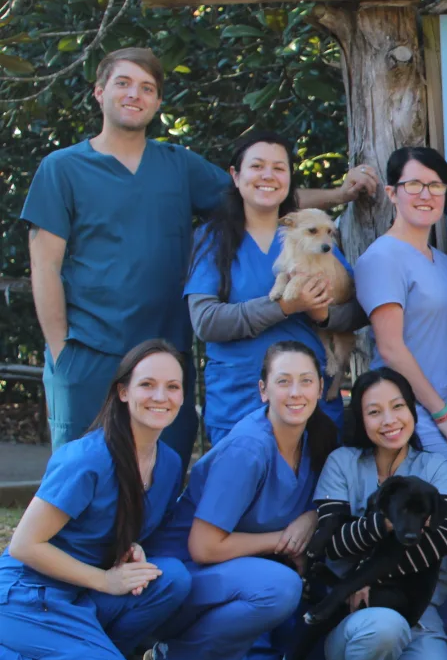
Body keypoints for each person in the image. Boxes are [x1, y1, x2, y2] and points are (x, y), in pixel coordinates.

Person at [22, 47, 374, 464]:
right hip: (89, 348)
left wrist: (340, 194)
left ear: (157, 101)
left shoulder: (176, 165)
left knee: (162, 472)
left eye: (147, 87)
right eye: (123, 83)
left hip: (166, 348)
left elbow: (262, 193)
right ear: (99, 92)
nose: (134, 94)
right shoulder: (62, 168)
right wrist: (61, 351)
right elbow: (44, 266)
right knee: (80, 470)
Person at [141, 341, 337, 660]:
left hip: (224, 575)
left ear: (320, 387)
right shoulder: (248, 449)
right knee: (278, 587)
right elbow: (204, 546)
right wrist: (282, 540)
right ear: (263, 390)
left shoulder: (315, 438)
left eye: (306, 381)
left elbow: (318, 499)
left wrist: (310, 517)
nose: (295, 392)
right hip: (177, 577)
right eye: (283, 381)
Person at [0, 341, 192, 660]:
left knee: (172, 579)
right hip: (30, 595)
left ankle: (91, 654)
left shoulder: (167, 462)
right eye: (147, 385)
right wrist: (104, 581)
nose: (160, 396)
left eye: (172, 387)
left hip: (80, 596)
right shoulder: (87, 458)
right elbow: (24, 545)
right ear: (123, 392)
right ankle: (8, 658)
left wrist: (130, 546)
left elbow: (117, 521)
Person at [356, 145, 447, 646]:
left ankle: (442, 648)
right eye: (414, 185)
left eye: (436, 186)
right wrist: (443, 413)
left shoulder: (444, 263)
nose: (426, 194)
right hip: (414, 417)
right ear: (391, 192)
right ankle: (427, 647)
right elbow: (391, 346)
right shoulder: (381, 258)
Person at [310, 368, 447, 660]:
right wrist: (382, 525)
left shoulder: (434, 467)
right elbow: (331, 543)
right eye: (374, 411)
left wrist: (365, 578)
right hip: (358, 618)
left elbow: (442, 539)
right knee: (383, 625)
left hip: (419, 612)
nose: (389, 420)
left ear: (412, 409)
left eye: (398, 406)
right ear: (360, 419)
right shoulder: (343, 462)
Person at [186, 131, 366, 446]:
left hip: (311, 407)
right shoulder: (212, 239)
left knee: (315, 494)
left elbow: (357, 313)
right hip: (238, 403)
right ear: (235, 175)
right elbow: (205, 321)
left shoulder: (315, 235)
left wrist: (323, 315)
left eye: (279, 168)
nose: (268, 175)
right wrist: (283, 307)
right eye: (257, 166)